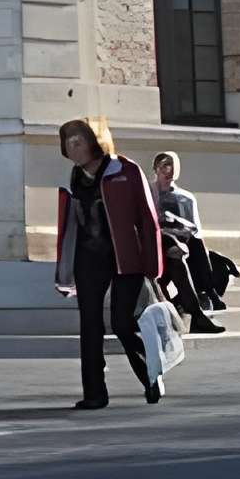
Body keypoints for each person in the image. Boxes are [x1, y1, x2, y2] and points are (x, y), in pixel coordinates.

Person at [52, 115, 166, 409]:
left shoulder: (125, 170)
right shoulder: (75, 178)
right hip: (89, 259)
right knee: (90, 325)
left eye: (78, 141)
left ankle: (151, 376)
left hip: (125, 258)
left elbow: (147, 218)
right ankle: (94, 393)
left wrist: (153, 267)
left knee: (123, 324)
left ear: (94, 142)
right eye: (68, 143)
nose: (73, 148)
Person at [150, 151, 227, 334]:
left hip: (181, 247)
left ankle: (207, 294)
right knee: (176, 252)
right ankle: (204, 301)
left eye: (172, 165)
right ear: (155, 168)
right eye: (163, 165)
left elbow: (194, 229)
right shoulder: (148, 193)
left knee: (194, 244)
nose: (168, 170)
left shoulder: (185, 197)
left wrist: (174, 223)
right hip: (157, 246)